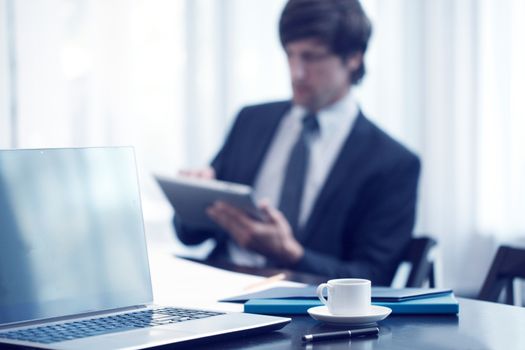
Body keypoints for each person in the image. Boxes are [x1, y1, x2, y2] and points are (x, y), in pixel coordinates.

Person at [174, 0, 420, 286]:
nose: (296, 72)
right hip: (217, 289)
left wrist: (293, 255)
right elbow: (189, 235)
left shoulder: (392, 163)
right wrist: (194, 200)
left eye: (311, 57)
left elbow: (374, 277)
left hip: (307, 312)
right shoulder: (251, 121)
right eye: (290, 55)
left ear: (354, 58)